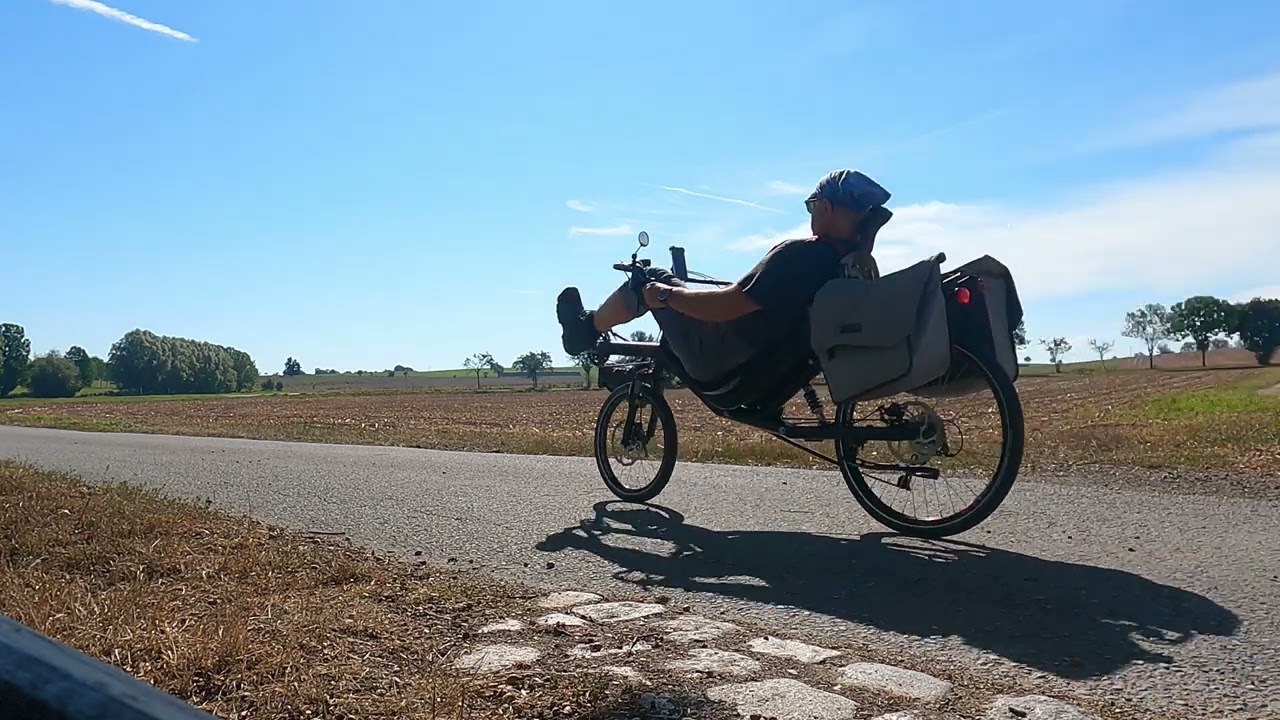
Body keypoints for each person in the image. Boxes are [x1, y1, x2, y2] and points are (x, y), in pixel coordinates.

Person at [556, 169, 892, 384]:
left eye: (811, 206)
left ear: (825, 208)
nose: (811, 214)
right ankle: (589, 326)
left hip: (722, 360)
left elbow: (727, 306)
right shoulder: (856, 269)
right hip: (773, 369)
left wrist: (664, 294)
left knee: (648, 277)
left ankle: (584, 331)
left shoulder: (801, 255)